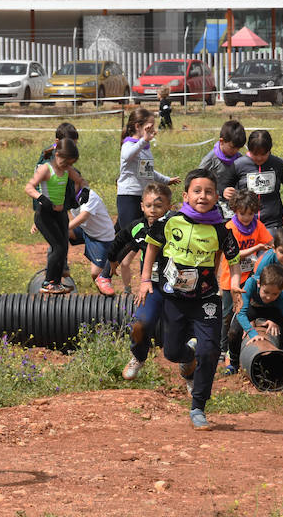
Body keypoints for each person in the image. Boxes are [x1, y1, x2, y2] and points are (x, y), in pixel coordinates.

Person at [138, 168, 242, 431]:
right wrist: (144, 280)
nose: (203, 196)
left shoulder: (221, 229)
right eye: (197, 191)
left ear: (216, 196)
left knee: (210, 351)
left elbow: (234, 258)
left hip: (206, 299)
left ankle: (198, 407)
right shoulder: (169, 221)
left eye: (208, 192)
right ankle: (187, 358)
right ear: (186, 195)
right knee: (172, 352)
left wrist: (236, 283)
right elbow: (152, 248)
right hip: (173, 298)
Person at [229, 228, 283, 369]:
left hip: (279, 296)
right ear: (274, 248)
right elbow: (243, 309)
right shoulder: (260, 270)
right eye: (282, 252)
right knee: (234, 330)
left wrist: (276, 318)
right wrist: (251, 329)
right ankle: (233, 362)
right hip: (256, 299)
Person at [117, 107, 180, 293]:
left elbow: (148, 171)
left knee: (141, 242)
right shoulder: (129, 144)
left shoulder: (144, 148)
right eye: (149, 127)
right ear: (138, 126)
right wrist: (144, 139)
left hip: (143, 198)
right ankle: (108, 274)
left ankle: (147, 284)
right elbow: (126, 156)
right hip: (128, 196)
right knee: (131, 240)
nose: (153, 131)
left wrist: (166, 180)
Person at [113, 183, 172, 381]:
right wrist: (111, 263)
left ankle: (190, 371)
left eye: (158, 205)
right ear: (142, 206)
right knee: (138, 326)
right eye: (149, 205)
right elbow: (119, 240)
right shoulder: (138, 227)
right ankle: (138, 357)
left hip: (178, 288)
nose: (153, 210)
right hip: (152, 287)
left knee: (184, 337)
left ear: (168, 206)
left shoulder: (176, 226)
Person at [225, 129, 283, 235]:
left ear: (269, 150)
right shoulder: (238, 165)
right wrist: (225, 191)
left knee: (269, 251)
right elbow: (225, 185)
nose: (259, 158)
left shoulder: (278, 164)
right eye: (255, 154)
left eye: (263, 154)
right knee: (248, 252)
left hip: (271, 222)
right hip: (245, 221)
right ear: (249, 150)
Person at [218, 190, 272, 375]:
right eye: (243, 214)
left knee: (249, 311)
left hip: (249, 279)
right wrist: (255, 248)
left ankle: (246, 342)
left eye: (251, 213)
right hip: (230, 280)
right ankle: (222, 349)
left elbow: (270, 243)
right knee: (227, 316)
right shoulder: (229, 228)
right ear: (235, 210)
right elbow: (232, 254)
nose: (247, 217)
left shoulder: (258, 226)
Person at [25, 137, 86, 294]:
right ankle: (48, 282)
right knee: (57, 247)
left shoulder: (66, 169)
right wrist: (40, 198)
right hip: (45, 215)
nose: (68, 167)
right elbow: (29, 187)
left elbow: (79, 180)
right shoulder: (45, 169)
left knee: (64, 247)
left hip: (60, 215)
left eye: (70, 164)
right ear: (57, 154)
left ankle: (57, 282)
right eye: (65, 163)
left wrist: (81, 192)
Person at [233, 263, 283, 374]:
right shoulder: (251, 283)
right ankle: (233, 360)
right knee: (234, 331)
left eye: (275, 294)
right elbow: (240, 314)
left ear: (281, 291)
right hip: (253, 308)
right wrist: (252, 332)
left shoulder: (281, 299)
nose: (269, 297)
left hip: (272, 312)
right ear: (259, 283)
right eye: (266, 292)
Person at [67, 188, 116, 294]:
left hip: (101, 237)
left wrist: (63, 228)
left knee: (95, 274)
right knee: (57, 232)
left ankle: (103, 297)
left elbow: (83, 216)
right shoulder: (67, 194)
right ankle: (60, 267)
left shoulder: (89, 195)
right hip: (85, 230)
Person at [199, 120, 246, 218]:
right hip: (213, 205)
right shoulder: (210, 160)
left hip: (234, 205)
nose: (235, 151)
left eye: (238, 148)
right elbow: (199, 181)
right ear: (221, 141)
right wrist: (220, 191)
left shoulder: (240, 159)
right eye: (232, 147)